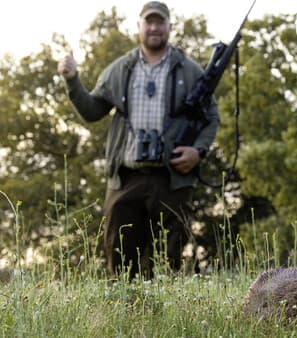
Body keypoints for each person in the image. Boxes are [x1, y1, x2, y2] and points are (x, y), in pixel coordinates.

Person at [57, 1, 219, 279]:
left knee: (171, 261)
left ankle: (170, 320)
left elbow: (211, 117)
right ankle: (122, 318)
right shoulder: (120, 69)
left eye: (160, 22)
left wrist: (198, 151)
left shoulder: (189, 71)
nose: (154, 27)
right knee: (119, 259)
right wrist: (73, 80)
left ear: (170, 26)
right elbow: (93, 111)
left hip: (172, 178)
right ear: (139, 27)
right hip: (125, 178)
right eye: (149, 22)